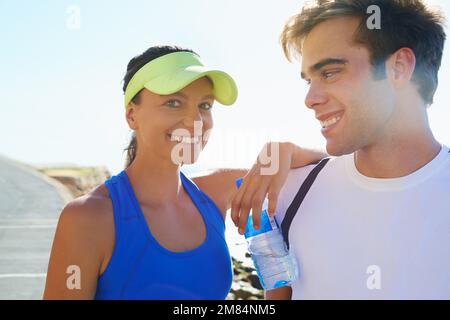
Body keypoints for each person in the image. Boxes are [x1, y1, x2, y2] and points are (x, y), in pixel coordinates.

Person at [43, 45, 326, 299]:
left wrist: (281, 150)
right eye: (173, 102)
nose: (194, 121)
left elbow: (325, 166)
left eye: (204, 105)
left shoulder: (217, 191)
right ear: (132, 115)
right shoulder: (88, 217)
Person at [232, 0, 450, 299]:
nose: (310, 98)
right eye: (309, 80)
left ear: (398, 68)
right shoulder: (289, 193)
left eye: (330, 72)